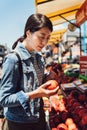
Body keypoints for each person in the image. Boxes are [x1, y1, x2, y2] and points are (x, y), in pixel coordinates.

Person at [0, 13, 59, 130]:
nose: (44, 42)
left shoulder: (39, 58)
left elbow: (35, 83)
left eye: (47, 38)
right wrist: (35, 94)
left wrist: (48, 78)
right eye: (41, 36)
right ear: (28, 33)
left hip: (39, 118)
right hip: (20, 123)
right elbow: (4, 99)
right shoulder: (13, 59)